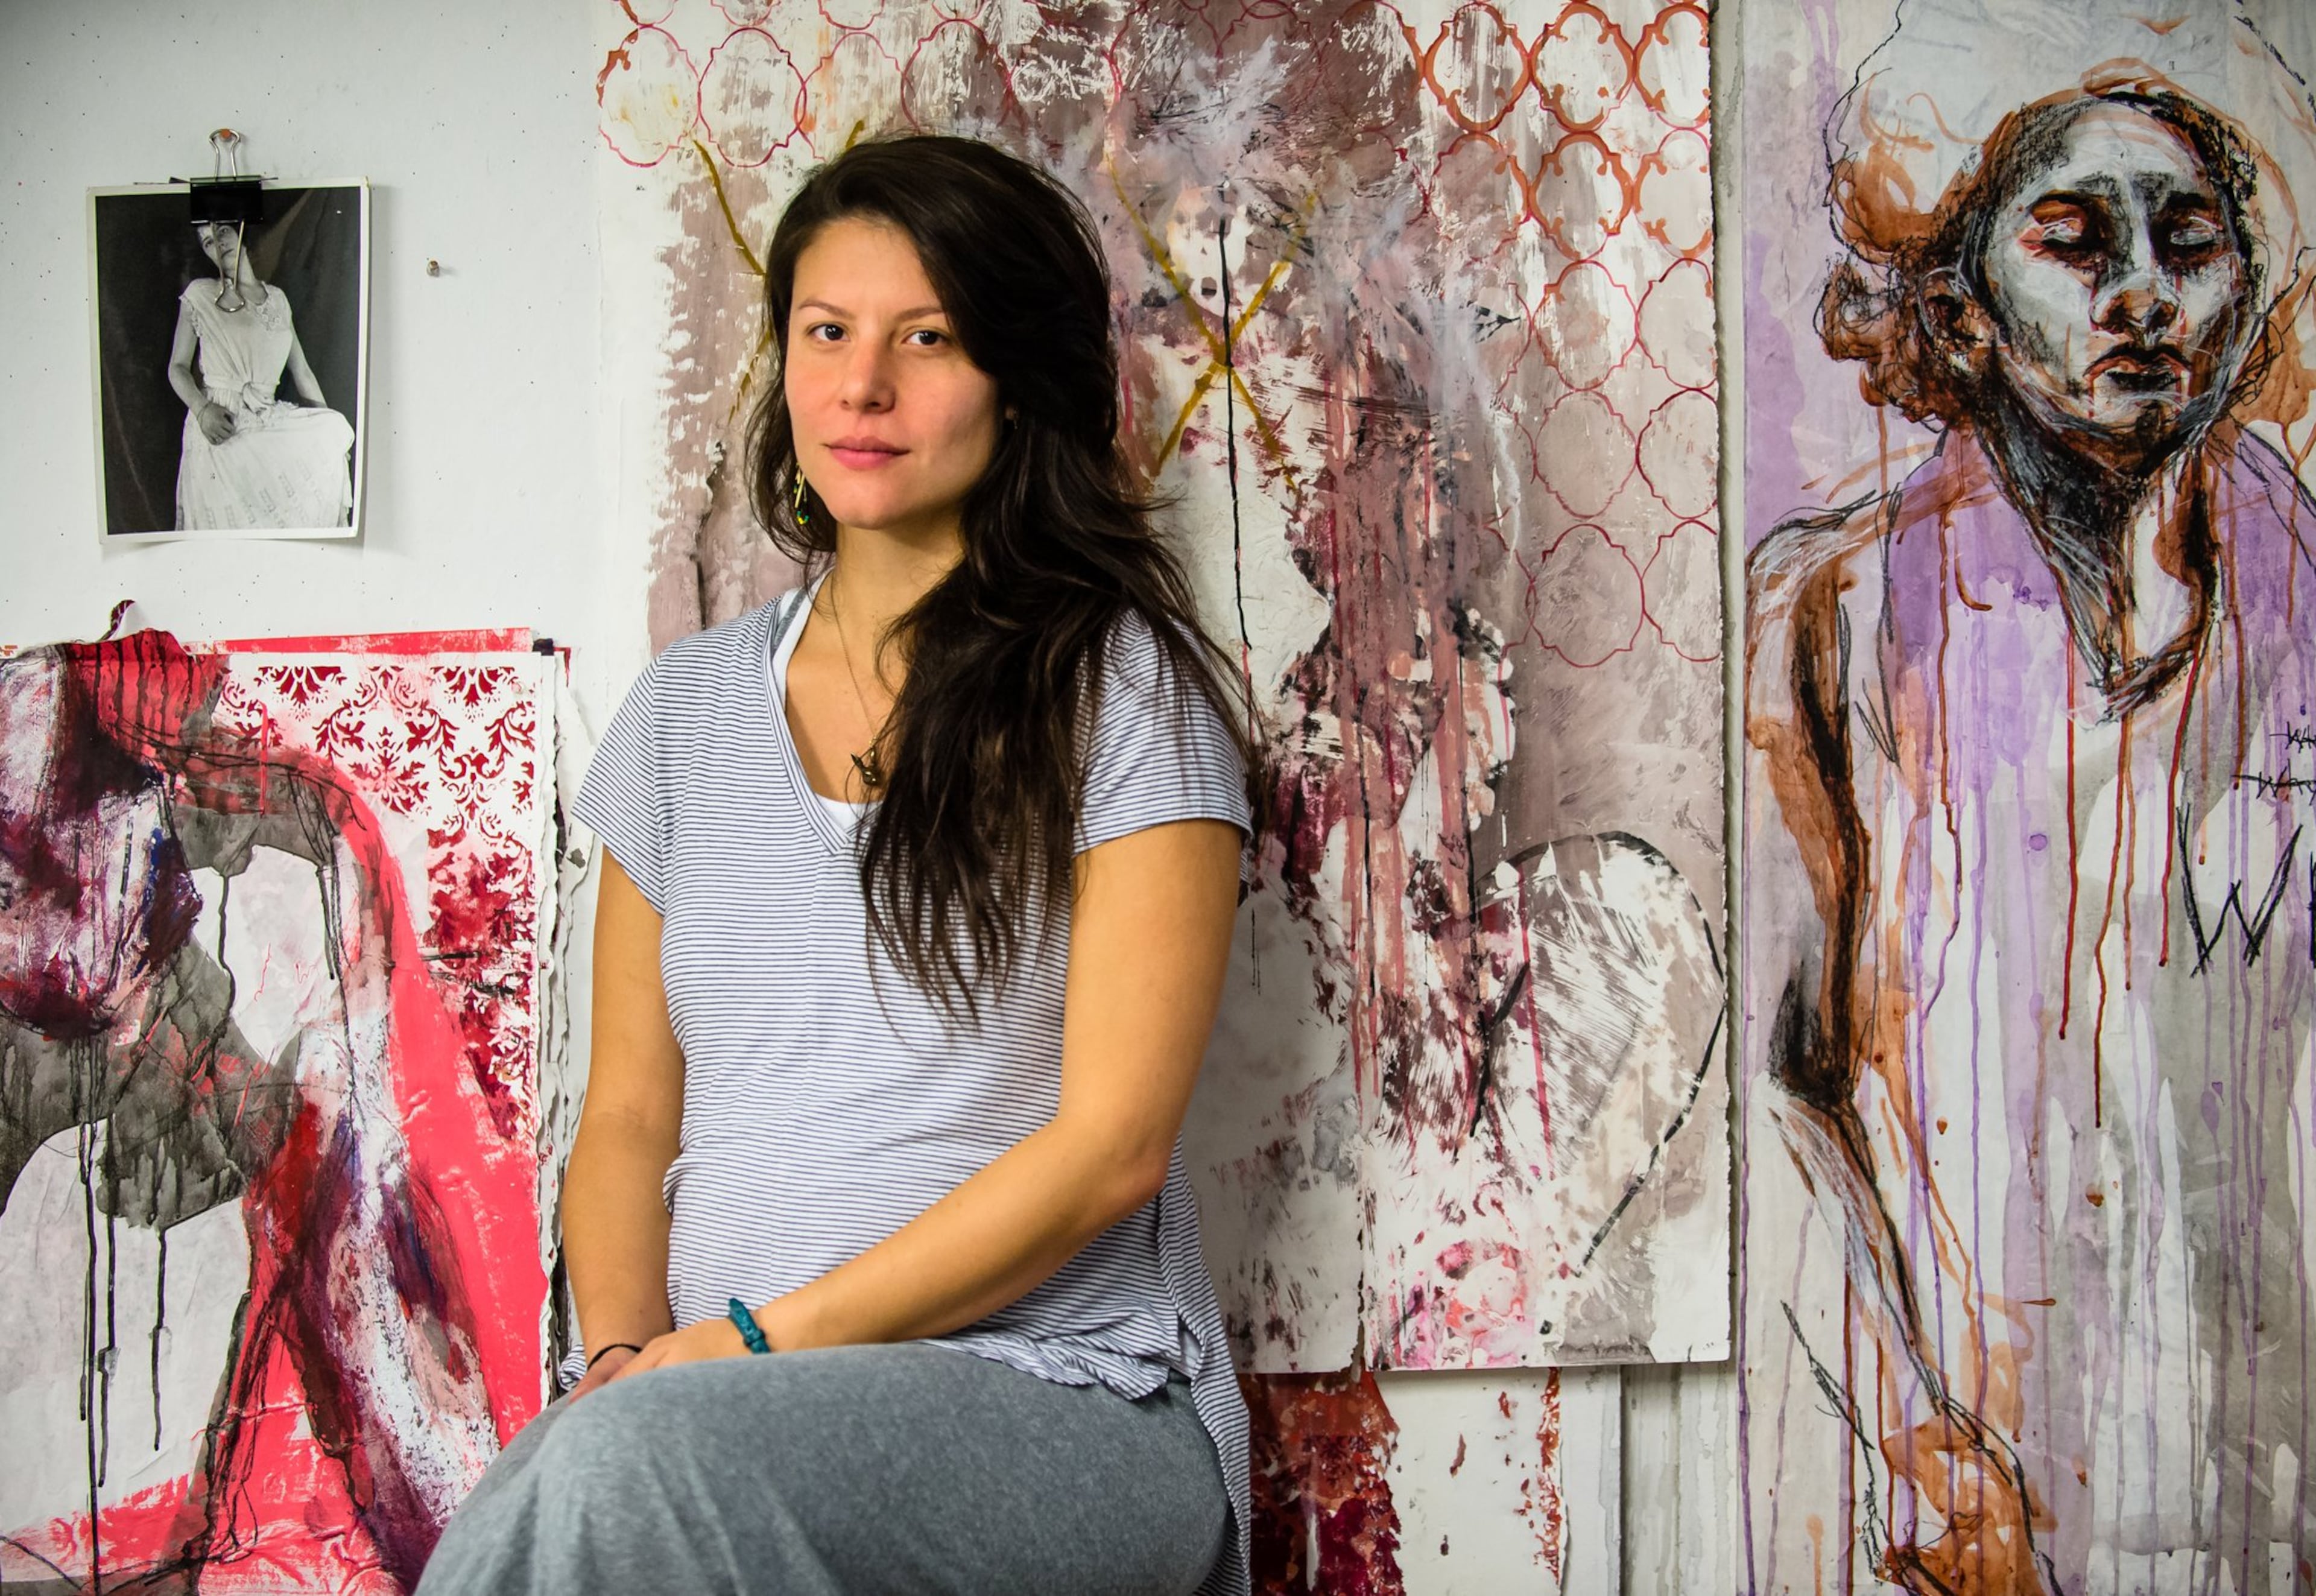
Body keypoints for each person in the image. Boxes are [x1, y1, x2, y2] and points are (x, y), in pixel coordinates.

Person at [419, 135, 1257, 1596]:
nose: (861, 388)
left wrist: (742, 1350)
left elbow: (1110, 1149)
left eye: (925, 340)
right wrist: (626, 1356)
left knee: (619, 1474)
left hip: (1068, 1399)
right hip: (724, 1419)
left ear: (1016, 376)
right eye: (826, 333)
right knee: (591, 1465)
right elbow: (624, 1117)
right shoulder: (681, 714)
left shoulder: (1118, 691)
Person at [1748, 80, 2316, 1592]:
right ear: (1965, 307)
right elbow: (1776, 1094)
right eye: (2072, 242)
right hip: (1964, 1464)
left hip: (2269, 1448)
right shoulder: (1841, 615)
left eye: (2186, 241)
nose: (2141, 291)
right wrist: (1911, 1439)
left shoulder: (2302, 592)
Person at [166, 220, 354, 531]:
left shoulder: (278, 299)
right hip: (221, 423)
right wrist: (202, 411)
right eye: (208, 242)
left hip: (266, 417)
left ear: (241, 233)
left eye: (223, 231)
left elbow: (302, 371)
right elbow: (177, 368)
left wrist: (333, 444)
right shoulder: (201, 294)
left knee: (334, 428)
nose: (218, 242)